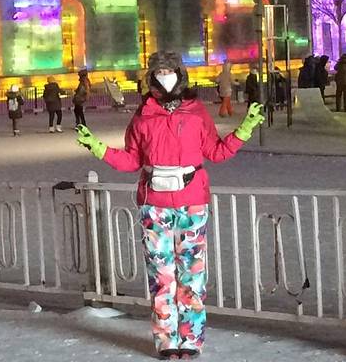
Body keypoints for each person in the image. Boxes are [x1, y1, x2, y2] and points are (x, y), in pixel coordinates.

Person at [76, 51, 264, 359]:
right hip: (155, 206)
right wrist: (99, 148)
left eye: (169, 70)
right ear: (151, 78)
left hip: (192, 204)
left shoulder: (196, 112)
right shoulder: (143, 116)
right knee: (161, 277)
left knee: (192, 276)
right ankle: (166, 341)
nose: (164, 76)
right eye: (159, 72)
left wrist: (243, 131)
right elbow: (132, 160)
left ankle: (191, 339)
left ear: (180, 74)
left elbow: (216, 152)